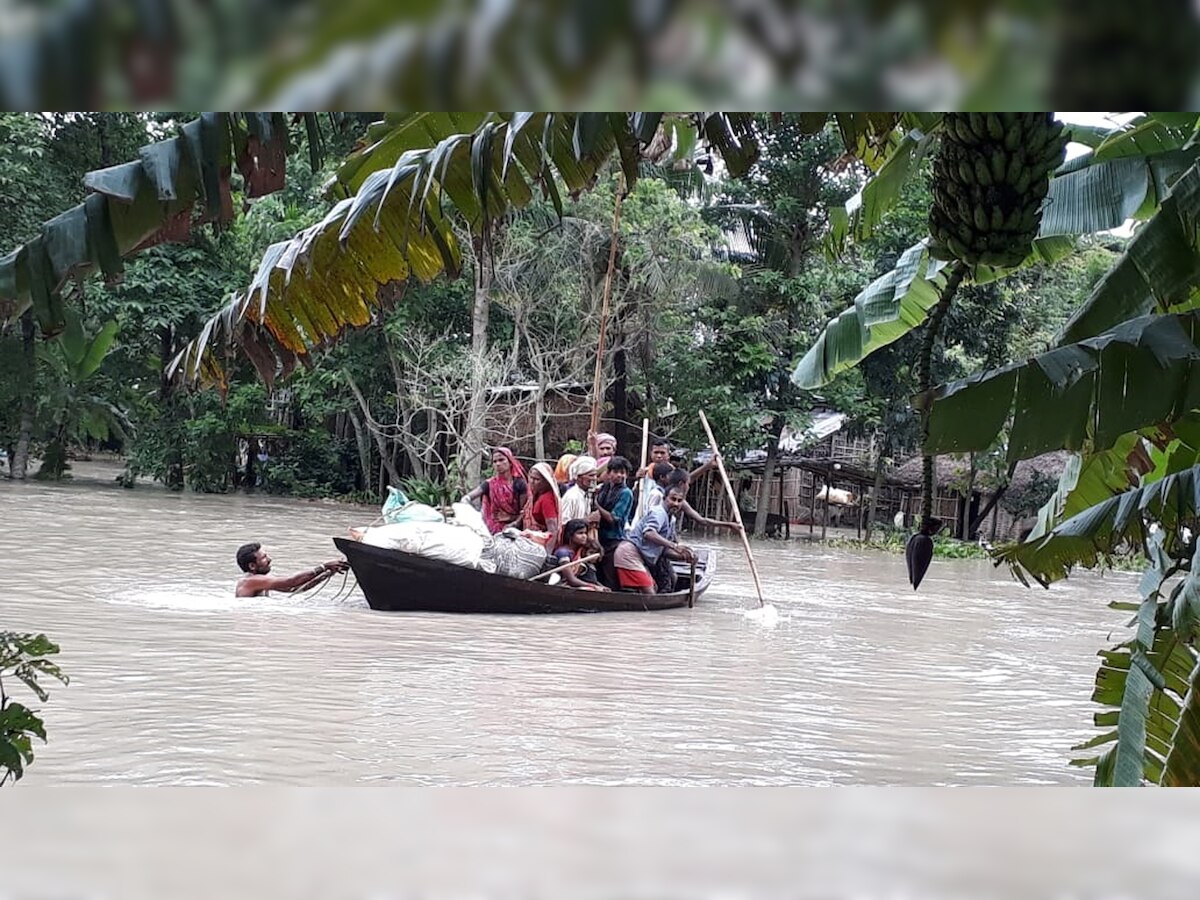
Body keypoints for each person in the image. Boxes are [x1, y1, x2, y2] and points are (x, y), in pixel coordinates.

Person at [612, 486, 695, 594]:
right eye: (673, 499)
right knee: (650, 594)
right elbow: (648, 533)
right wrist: (674, 546)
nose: (676, 503)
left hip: (639, 556)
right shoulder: (659, 512)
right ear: (664, 498)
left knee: (654, 589)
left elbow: (663, 550)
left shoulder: (671, 519)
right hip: (629, 554)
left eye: (679, 501)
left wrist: (685, 556)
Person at [235, 542, 348, 598]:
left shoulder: (259, 581)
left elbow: (294, 588)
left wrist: (328, 573)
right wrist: (324, 566)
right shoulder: (250, 581)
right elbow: (291, 581)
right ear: (252, 566)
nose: (270, 559)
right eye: (264, 558)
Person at [461, 447, 528, 534]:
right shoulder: (490, 484)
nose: (498, 464)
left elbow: (525, 511)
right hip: (493, 528)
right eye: (495, 461)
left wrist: (513, 522)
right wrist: (465, 502)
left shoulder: (520, 484)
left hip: (516, 529)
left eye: (501, 460)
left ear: (510, 462)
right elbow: (470, 496)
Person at [665, 467, 743, 534]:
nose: (688, 487)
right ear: (681, 484)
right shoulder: (663, 496)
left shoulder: (674, 496)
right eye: (688, 484)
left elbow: (702, 520)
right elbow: (702, 521)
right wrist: (729, 525)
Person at [553, 518, 610, 592]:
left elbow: (589, 579)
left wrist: (600, 586)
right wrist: (593, 586)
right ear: (570, 535)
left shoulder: (580, 552)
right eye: (580, 533)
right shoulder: (563, 553)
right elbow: (571, 580)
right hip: (561, 586)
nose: (584, 536)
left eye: (585, 533)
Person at [521, 462, 562, 548]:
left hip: (541, 545)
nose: (532, 482)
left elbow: (553, 530)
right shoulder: (535, 496)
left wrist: (548, 554)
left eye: (537, 479)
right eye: (531, 478)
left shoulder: (547, 500)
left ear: (546, 482)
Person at [559, 456, 601, 525]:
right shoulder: (572, 497)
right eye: (591, 475)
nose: (594, 478)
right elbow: (563, 524)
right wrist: (588, 519)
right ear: (579, 478)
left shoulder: (587, 494)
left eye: (595, 475)